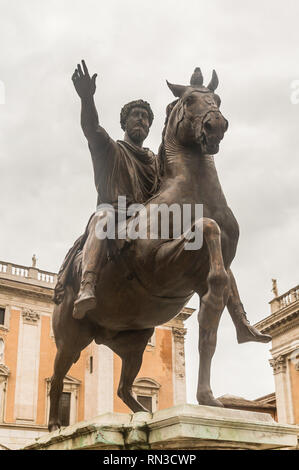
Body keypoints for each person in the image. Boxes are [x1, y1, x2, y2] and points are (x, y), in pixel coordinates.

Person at [70, 60, 160, 319]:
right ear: (124, 122)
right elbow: (91, 128)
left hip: (145, 221)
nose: (142, 120)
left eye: (146, 118)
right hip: (114, 216)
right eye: (136, 115)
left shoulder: (154, 161)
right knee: (103, 217)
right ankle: (87, 285)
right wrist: (87, 98)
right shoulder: (110, 149)